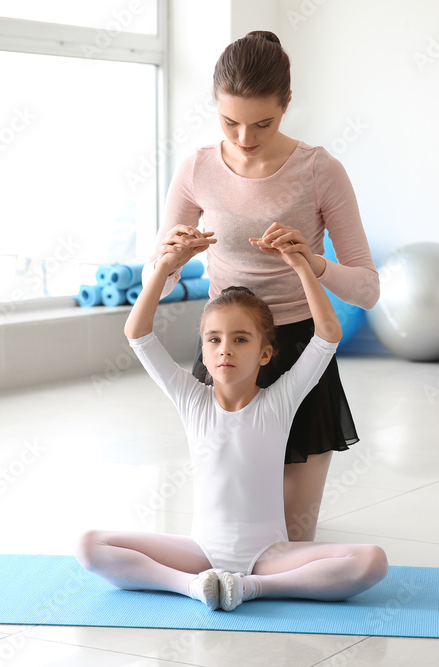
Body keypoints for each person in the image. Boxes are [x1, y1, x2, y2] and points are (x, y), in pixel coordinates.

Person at [145, 30, 379, 542]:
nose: (245, 138)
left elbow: (367, 290)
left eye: (263, 123)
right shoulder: (197, 170)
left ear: (287, 103)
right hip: (228, 352)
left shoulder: (320, 171)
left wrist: (312, 264)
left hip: (299, 351)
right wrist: (168, 262)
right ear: (215, 105)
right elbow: (153, 287)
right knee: (225, 534)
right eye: (230, 122)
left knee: (291, 539)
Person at [75, 228, 387, 611]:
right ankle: (193, 587)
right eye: (214, 340)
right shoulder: (191, 399)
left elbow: (327, 334)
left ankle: (251, 587)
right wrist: (164, 268)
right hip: (200, 554)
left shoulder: (280, 400)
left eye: (241, 339)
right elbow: (137, 333)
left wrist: (303, 268)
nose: (226, 350)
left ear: (265, 353)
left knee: (372, 561)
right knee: (89, 546)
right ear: (203, 353)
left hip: (269, 556)